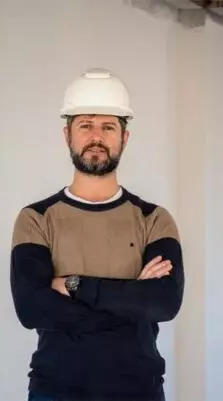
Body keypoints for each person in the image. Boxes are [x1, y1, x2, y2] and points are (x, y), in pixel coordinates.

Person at [10, 68, 185, 401]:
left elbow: (163, 303)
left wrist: (74, 286)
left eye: (108, 127)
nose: (96, 137)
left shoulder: (154, 219)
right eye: (85, 125)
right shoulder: (36, 219)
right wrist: (131, 301)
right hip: (56, 390)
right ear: (67, 135)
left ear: (124, 138)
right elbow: (31, 308)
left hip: (138, 389)